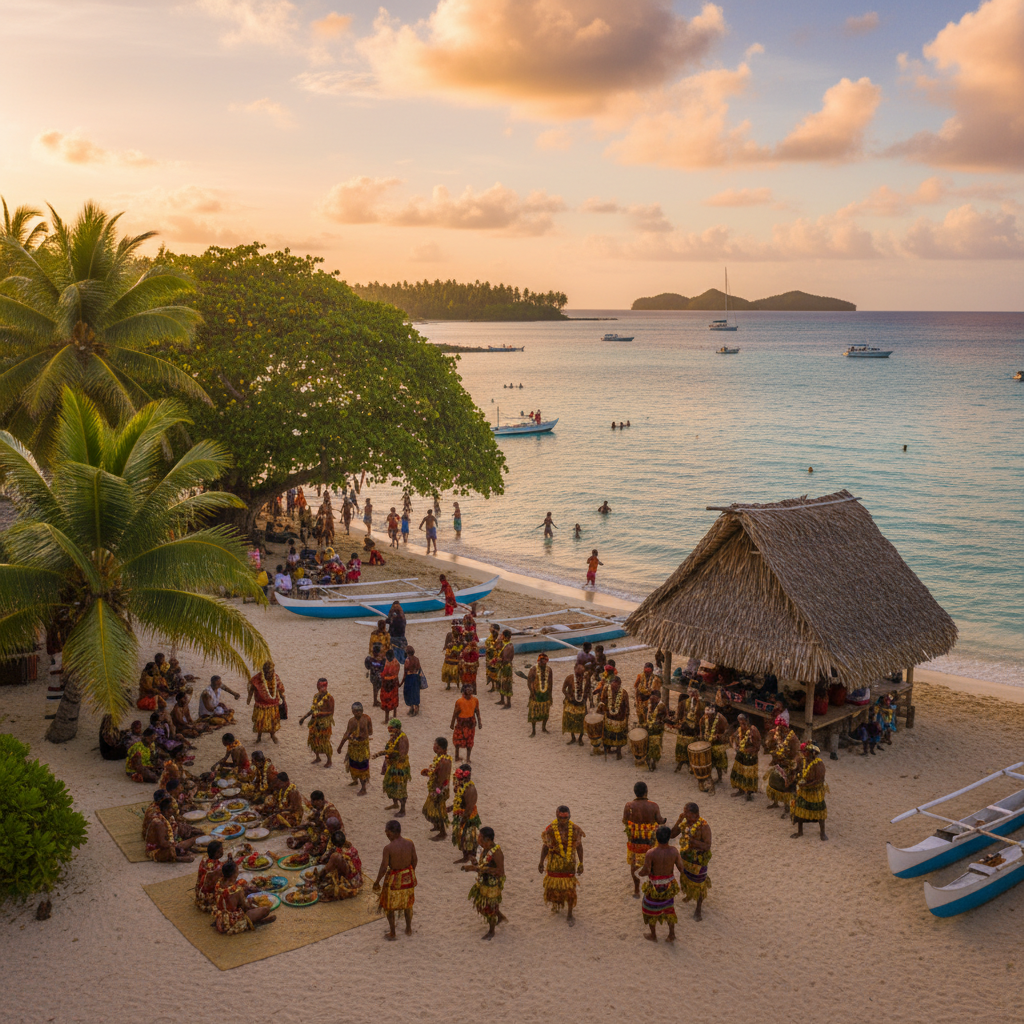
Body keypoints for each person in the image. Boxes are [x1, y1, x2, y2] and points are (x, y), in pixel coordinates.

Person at [539, 806, 584, 925]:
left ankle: (569, 913)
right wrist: (541, 862)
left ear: (570, 816)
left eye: (566, 818)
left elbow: (579, 847)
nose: (563, 820)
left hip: (569, 864)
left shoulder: (575, 829)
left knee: (570, 890)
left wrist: (581, 863)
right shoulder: (550, 830)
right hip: (554, 863)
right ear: (557, 817)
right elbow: (545, 847)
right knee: (553, 888)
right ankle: (557, 904)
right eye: (561, 818)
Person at [638, 825, 684, 942]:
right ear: (669, 838)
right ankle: (671, 934)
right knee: (669, 909)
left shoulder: (651, 853)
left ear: (656, 838)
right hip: (669, 886)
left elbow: (646, 871)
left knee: (649, 909)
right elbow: (681, 868)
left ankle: (653, 936)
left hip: (654, 886)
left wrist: (640, 872)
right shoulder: (674, 851)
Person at [373, 820, 417, 940]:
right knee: (408, 905)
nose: (386, 834)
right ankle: (408, 928)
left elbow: (383, 867)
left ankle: (393, 932)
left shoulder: (388, 848)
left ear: (391, 833)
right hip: (408, 878)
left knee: (389, 906)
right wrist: (410, 873)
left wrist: (377, 881)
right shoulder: (410, 843)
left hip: (394, 880)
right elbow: (415, 860)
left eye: (387, 832)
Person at [623, 780, 665, 897]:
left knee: (634, 865)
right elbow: (659, 820)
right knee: (653, 865)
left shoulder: (628, 806)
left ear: (635, 792)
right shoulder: (654, 805)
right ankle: (652, 888)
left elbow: (625, 821)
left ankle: (636, 890)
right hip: (650, 841)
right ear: (646, 792)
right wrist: (664, 821)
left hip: (635, 841)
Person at [671, 802, 712, 920]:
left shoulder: (703, 826)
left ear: (695, 814)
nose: (684, 814)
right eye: (684, 811)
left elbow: (707, 845)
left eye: (687, 813)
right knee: (686, 878)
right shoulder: (684, 822)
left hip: (698, 860)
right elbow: (672, 835)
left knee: (699, 885)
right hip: (686, 857)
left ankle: (698, 909)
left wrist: (694, 842)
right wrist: (679, 821)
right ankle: (689, 895)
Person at [464, 826, 506, 939]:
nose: (478, 839)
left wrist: (476, 869)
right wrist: (475, 863)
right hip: (484, 881)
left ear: (487, 839)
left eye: (480, 837)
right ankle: (500, 917)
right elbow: (483, 864)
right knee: (482, 905)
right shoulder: (485, 849)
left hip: (492, 885)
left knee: (489, 908)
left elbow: (500, 872)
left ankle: (492, 931)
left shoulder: (496, 853)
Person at [214, 859, 275, 932]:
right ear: (234, 874)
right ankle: (252, 924)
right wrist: (252, 902)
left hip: (220, 918)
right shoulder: (237, 890)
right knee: (266, 909)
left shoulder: (218, 884)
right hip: (232, 921)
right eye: (237, 871)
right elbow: (245, 907)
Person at [791, 742, 829, 841]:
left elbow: (819, 780)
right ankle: (800, 831)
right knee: (800, 810)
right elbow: (797, 771)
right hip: (804, 790)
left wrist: (807, 785)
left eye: (806, 752)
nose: (804, 753)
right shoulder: (802, 761)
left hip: (815, 791)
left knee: (819, 812)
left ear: (812, 753)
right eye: (803, 752)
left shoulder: (818, 764)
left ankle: (822, 832)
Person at [765, 715, 800, 817]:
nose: (779, 728)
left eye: (781, 726)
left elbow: (796, 753)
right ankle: (775, 803)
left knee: (786, 785)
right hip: (778, 762)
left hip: (788, 764)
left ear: (786, 727)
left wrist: (791, 763)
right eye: (778, 726)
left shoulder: (792, 738)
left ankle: (786, 808)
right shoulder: (776, 734)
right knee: (773, 781)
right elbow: (771, 746)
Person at [375, 718, 410, 816]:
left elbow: (402, 755)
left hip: (400, 766)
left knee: (399, 787)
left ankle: (403, 809)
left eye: (392, 728)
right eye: (389, 728)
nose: (390, 730)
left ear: (397, 728)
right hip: (393, 764)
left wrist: (387, 754)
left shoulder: (402, 739)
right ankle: (395, 804)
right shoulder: (394, 736)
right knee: (390, 785)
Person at [337, 703, 373, 795]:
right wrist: (340, 746)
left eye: (359, 711)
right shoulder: (351, 721)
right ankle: (355, 780)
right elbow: (347, 734)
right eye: (355, 711)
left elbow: (370, 732)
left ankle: (363, 788)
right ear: (353, 712)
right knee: (353, 763)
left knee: (362, 766)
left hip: (362, 747)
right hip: (353, 746)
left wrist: (361, 735)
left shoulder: (367, 719)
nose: (357, 713)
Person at [318, 830, 363, 901]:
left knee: (334, 858)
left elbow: (349, 868)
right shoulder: (347, 846)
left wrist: (322, 873)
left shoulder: (343, 853)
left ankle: (321, 876)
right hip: (356, 877)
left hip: (352, 881)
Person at [145, 797, 195, 862]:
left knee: (189, 840)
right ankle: (178, 858)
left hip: (169, 844)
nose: (174, 810)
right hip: (157, 849)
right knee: (171, 850)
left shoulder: (170, 818)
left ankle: (181, 851)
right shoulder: (159, 823)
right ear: (166, 810)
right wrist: (176, 845)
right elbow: (163, 844)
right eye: (172, 808)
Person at [421, 737, 452, 840]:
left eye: (437, 747)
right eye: (435, 746)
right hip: (435, 787)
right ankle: (437, 826)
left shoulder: (444, 761)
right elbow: (435, 772)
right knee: (429, 809)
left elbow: (441, 779)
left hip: (440, 790)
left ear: (443, 749)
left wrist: (436, 790)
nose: (434, 748)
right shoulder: (438, 758)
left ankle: (443, 833)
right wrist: (429, 773)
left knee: (438, 810)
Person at [300, 677, 334, 767]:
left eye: (322, 687)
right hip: (315, 722)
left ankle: (329, 760)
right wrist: (304, 717)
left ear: (325, 687)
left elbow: (331, 712)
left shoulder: (329, 698)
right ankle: (317, 757)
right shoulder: (316, 696)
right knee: (313, 740)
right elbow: (313, 709)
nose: (320, 689)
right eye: (318, 687)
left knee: (324, 741)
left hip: (324, 723)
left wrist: (320, 714)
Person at [248, 661, 285, 744]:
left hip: (273, 704)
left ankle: (272, 735)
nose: (269, 674)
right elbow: (252, 688)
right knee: (260, 721)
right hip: (261, 704)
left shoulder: (276, 678)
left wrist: (282, 697)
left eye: (271, 672)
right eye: (267, 672)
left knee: (273, 721)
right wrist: (249, 698)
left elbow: (280, 688)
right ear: (264, 671)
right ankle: (259, 737)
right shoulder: (257, 678)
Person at [450, 764, 480, 865]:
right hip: (461, 814)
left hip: (468, 817)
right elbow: (459, 801)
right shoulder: (461, 786)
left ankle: (469, 857)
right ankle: (466, 856)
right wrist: (451, 808)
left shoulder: (470, 790)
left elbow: (468, 808)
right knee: (462, 838)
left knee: (466, 837)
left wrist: (463, 821)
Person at [730, 714, 761, 800]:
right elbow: (733, 738)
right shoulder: (740, 729)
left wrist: (747, 750)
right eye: (740, 723)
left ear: (747, 722)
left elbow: (757, 747)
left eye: (743, 723)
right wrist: (735, 746)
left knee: (749, 775)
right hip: (740, 754)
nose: (742, 725)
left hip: (750, 757)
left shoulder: (753, 731)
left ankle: (749, 793)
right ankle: (740, 790)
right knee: (738, 772)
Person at [674, 686, 703, 771]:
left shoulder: (701, 705)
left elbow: (702, 718)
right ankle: (681, 762)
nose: (692, 694)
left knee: (692, 748)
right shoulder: (683, 703)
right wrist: (677, 724)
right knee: (682, 747)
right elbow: (678, 717)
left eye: (694, 692)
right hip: (685, 727)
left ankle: (691, 764)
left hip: (695, 729)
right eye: (690, 692)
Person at [451, 684, 482, 762]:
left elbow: (477, 711)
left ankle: (468, 758)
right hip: (461, 722)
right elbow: (455, 713)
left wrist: (479, 722)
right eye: (468, 689)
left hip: (470, 723)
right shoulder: (459, 701)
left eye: (471, 689)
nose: (470, 690)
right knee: (458, 740)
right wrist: (452, 723)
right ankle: (456, 756)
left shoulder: (475, 700)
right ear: (464, 690)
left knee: (470, 741)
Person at [600, 676, 630, 759]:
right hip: (609, 717)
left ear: (619, 685)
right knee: (608, 734)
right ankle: (607, 749)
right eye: (612, 685)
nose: (614, 687)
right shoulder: (606, 690)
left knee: (619, 736)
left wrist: (626, 718)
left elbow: (627, 706)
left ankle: (618, 752)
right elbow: (602, 700)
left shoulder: (624, 693)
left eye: (616, 686)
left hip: (620, 718)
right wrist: (603, 710)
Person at [561, 663, 590, 746]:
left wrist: (586, 698)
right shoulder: (570, 678)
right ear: (574, 669)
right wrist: (568, 696)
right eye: (578, 669)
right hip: (571, 703)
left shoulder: (586, 678)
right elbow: (563, 689)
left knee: (581, 721)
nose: (580, 671)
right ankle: (573, 737)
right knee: (570, 720)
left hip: (581, 703)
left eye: (582, 670)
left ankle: (580, 738)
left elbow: (588, 689)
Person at [700, 704, 729, 782]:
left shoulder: (721, 719)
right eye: (707, 715)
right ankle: (708, 776)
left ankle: (719, 778)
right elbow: (701, 726)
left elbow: (726, 732)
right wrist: (701, 735)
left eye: (710, 715)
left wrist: (719, 736)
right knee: (707, 761)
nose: (708, 716)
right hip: (708, 742)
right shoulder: (705, 717)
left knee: (718, 762)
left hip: (718, 744)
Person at [526, 652, 554, 736]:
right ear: (538, 661)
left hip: (545, 694)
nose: (542, 663)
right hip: (536, 694)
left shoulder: (549, 670)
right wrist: (532, 692)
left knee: (545, 712)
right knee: (534, 713)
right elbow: (529, 682)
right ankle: (533, 731)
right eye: (541, 661)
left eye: (544, 661)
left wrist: (550, 694)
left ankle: (543, 727)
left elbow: (550, 682)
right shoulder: (533, 669)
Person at [194, 839, 225, 911]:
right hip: (208, 897)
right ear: (217, 853)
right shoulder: (217, 868)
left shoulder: (204, 859)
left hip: (199, 892)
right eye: (222, 850)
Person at [379, 650, 401, 724]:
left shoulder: (386, 663)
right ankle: (394, 716)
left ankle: (386, 719)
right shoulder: (396, 662)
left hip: (386, 683)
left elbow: (382, 673)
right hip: (394, 682)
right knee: (394, 698)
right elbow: (397, 673)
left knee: (386, 700)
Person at [645, 700, 668, 770]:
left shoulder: (661, 707)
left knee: (654, 748)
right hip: (652, 731)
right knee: (653, 747)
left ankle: (652, 761)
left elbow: (663, 719)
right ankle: (651, 761)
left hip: (656, 732)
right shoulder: (651, 707)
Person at [441, 622, 463, 691]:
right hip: (450, 656)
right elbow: (446, 644)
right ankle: (449, 684)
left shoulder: (460, 638)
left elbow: (461, 647)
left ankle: (457, 684)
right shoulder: (449, 635)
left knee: (455, 672)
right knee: (448, 672)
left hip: (455, 656)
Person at [496, 629, 515, 708]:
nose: (501, 636)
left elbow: (506, 659)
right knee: (500, 682)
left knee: (506, 684)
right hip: (502, 666)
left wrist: (498, 660)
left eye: (502, 635)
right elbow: (496, 647)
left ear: (506, 636)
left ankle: (508, 703)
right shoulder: (504, 644)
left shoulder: (509, 646)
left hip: (506, 667)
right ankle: (502, 700)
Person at [402, 645, 423, 715]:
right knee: (415, 692)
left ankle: (411, 707)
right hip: (416, 677)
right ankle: (416, 707)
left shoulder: (407, 660)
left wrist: (402, 682)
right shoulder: (417, 659)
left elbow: (405, 672)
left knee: (409, 693)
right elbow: (419, 668)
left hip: (409, 677)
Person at [365, 643, 385, 708]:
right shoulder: (381, 659)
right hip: (379, 676)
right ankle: (377, 701)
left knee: (375, 688)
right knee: (380, 688)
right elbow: (383, 667)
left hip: (373, 675)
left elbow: (367, 666)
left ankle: (375, 701)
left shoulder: (369, 658)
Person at [484, 623, 502, 692]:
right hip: (489, 657)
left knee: (497, 672)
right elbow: (487, 647)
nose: (491, 629)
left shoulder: (499, 639)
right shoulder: (489, 639)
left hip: (497, 658)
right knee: (490, 672)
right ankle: (493, 686)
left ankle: (498, 685)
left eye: (492, 628)